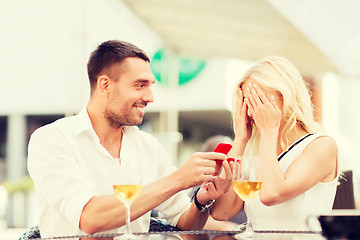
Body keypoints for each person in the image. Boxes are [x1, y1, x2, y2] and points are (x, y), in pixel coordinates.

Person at [27, 40, 232, 237]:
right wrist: (179, 179)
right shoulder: (51, 140)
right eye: (140, 85)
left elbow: (186, 223)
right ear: (105, 85)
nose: (150, 97)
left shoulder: (148, 146)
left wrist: (202, 200)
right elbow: (90, 218)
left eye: (150, 85)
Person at [211, 56, 339, 230]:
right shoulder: (258, 150)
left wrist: (268, 131)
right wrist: (240, 139)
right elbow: (221, 212)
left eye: (259, 99)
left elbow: (271, 194)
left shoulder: (321, 146)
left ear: (286, 96)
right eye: (246, 101)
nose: (251, 109)